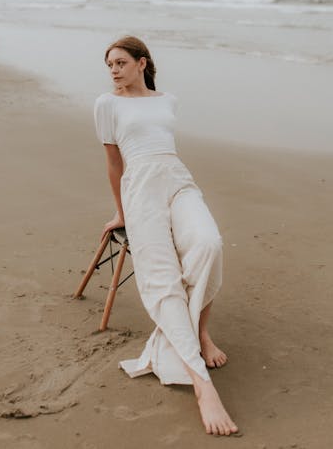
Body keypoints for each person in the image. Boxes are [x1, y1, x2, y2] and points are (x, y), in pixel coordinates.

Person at [93, 35, 240, 436]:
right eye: (109, 64)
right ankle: (202, 385)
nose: (113, 70)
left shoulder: (167, 100)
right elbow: (113, 163)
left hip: (176, 178)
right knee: (162, 277)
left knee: (209, 244)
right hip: (139, 188)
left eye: (120, 62)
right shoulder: (106, 104)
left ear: (142, 63)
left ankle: (200, 332)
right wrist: (122, 213)